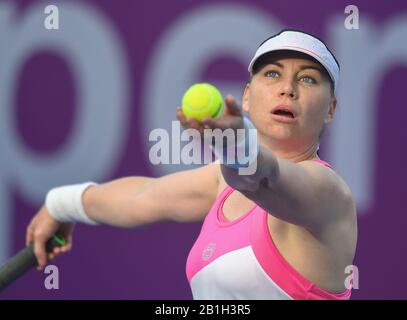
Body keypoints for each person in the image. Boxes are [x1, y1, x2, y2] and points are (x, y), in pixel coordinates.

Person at [26, 29, 357, 300]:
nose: (287, 89)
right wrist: (60, 204)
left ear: (330, 109)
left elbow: (263, 179)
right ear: (246, 96)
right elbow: (142, 196)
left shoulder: (328, 194)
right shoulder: (220, 183)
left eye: (309, 79)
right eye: (272, 74)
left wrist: (236, 146)